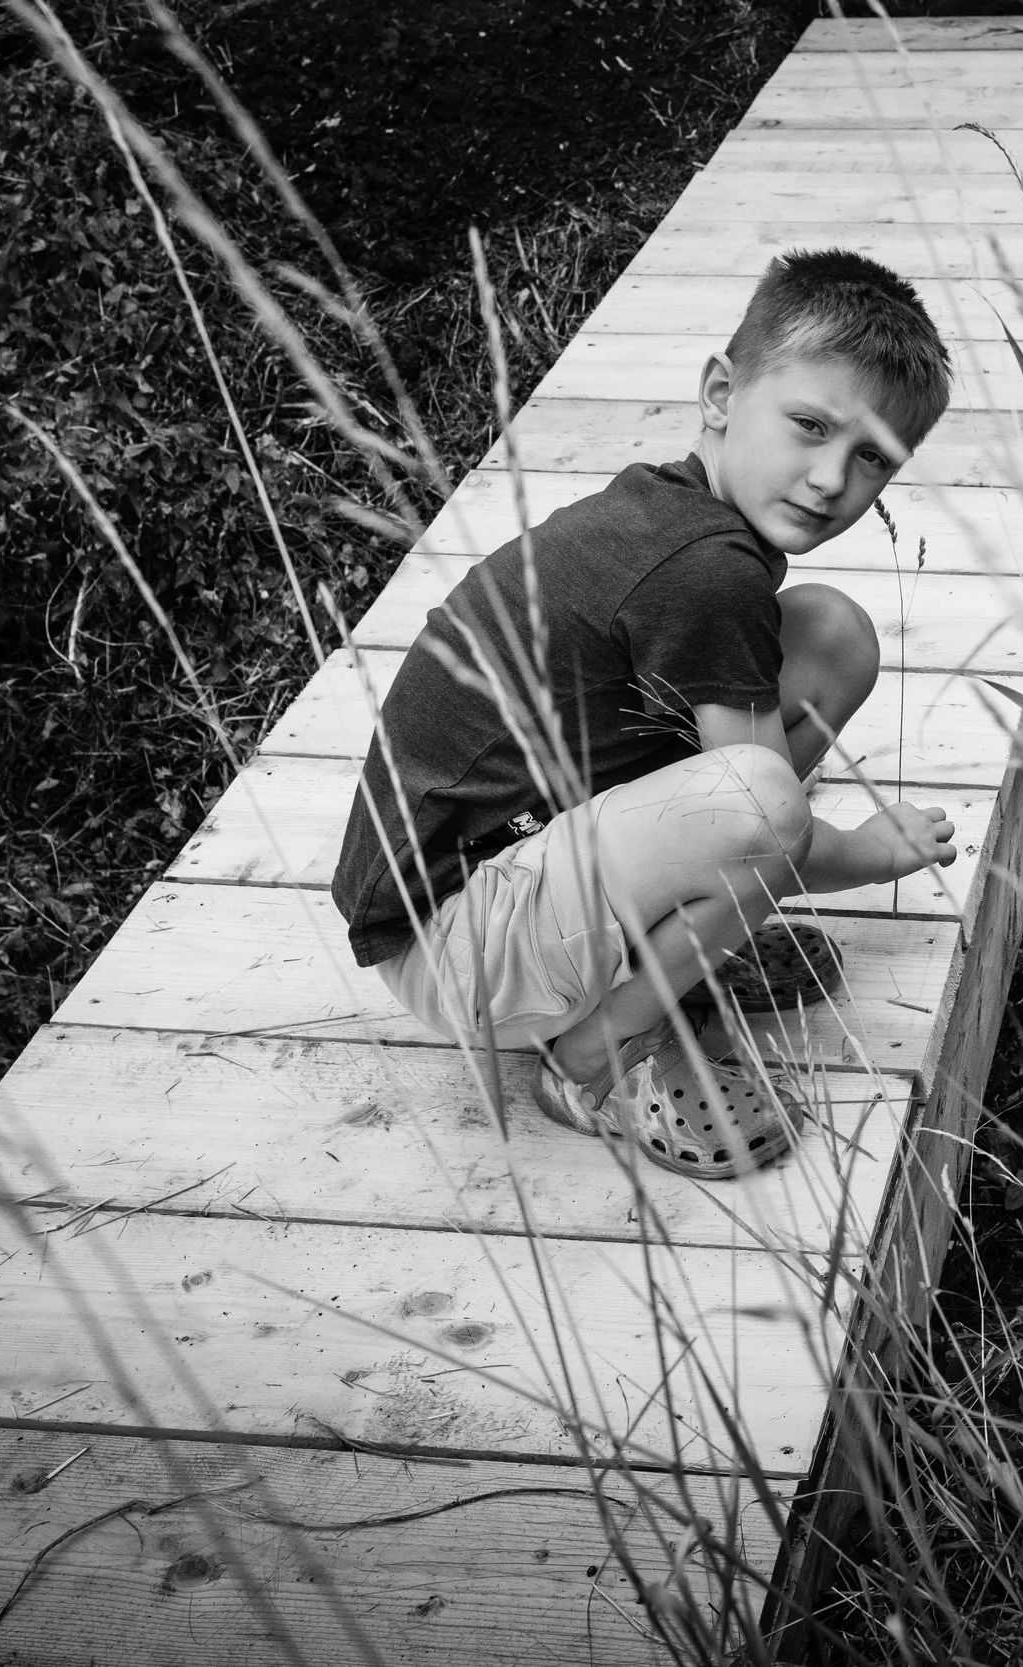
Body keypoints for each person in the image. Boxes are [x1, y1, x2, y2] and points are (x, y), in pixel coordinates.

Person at [329, 248, 957, 1178]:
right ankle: (595, 1050)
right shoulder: (701, 571)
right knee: (761, 804)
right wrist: (869, 854)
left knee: (830, 634)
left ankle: (665, 952)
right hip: (458, 939)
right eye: (810, 425)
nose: (831, 479)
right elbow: (762, 818)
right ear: (719, 392)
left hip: (514, 864)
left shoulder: (675, 514)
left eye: (871, 456)